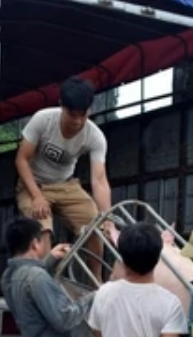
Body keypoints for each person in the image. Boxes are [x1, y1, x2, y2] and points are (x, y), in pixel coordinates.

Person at [15, 76, 114, 280]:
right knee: (42, 230)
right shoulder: (43, 120)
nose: (77, 121)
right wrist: (36, 196)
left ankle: (96, 282)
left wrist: (107, 218)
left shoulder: (95, 136)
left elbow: (100, 180)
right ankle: (43, 281)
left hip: (66, 185)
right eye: (72, 114)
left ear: (89, 110)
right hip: (34, 185)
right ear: (61, 106)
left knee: (95, 226)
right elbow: (21, 160)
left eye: (83, 114)